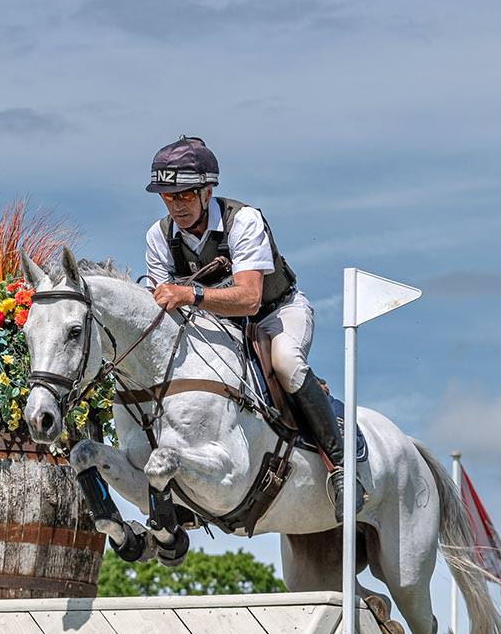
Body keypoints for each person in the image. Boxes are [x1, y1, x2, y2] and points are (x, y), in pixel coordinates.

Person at [143, 135, 361, 520]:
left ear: (207, 191)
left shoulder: (243, 221)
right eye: (167, 197)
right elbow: (161, 305)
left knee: (286, 363)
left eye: (184, 196)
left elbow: (249, 298)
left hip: (275, 313)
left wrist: (190, 294)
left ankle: (342, 466)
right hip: (215, 325)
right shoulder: (158, 236)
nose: (176, 205)